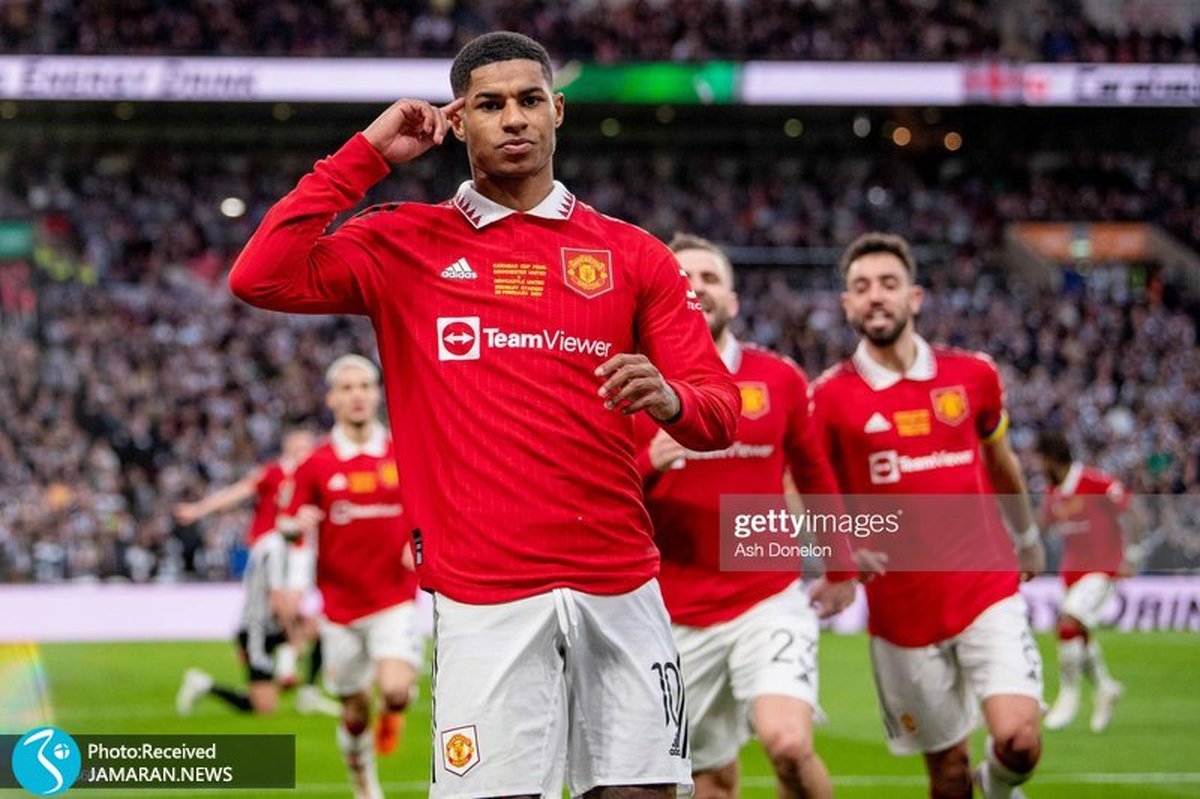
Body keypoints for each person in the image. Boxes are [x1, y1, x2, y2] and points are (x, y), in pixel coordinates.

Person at [228, 31, 739, 798]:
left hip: (620, 582)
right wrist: (365, 155)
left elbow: (720, 413)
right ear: (458, 120)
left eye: (530, 100)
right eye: (490, 104)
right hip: (483, 592)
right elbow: (260, 276)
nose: (514, 118)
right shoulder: (402, 242)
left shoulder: (635, 255)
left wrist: (672, 399)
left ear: (558, 111)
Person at [809, 232, 1045, 799]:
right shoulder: (828, 398)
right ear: (847, 305)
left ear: (914, 297)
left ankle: (999, 784)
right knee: (948, 776)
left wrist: (1027, 535)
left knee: (1019, 740)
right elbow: (808, 489)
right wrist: (839, 553)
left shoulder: (973, 375)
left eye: (888, 283)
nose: (876, 296)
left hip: (985, 586)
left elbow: (1001, 462)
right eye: (862, 287)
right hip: (902, 613)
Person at [634, 234, 857, 799]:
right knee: (710, 777)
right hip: (672, 614)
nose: (697, 288)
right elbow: (594, 495)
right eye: (684, 278)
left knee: (788, 743)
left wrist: (841, 567)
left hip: (766, 596)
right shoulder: (632, 381)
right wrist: (648, 463)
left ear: (732, 301)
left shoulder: (779, 378)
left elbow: (814, 476)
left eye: (710, 278)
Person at [279, 354, 422, 799]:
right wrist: (294, 526)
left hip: (394, 598)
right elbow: (286, 521)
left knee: (395, 691)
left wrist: (419, 543)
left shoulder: (406, 451)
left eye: (365, 386)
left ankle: (393, 709)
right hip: (339, 607)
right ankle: (364, 785)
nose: (357, 395)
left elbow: (433, 508)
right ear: (332, 399)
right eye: (347, 388)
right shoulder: (316, 463)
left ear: (377, 394)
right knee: (355, 711)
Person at [174, 428, 333, 716]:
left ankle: (302, 682)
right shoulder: (273, 473)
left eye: (308, 448)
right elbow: (238, 491)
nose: (305, 453)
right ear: (287, 449)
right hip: (273, 547)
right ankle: (287, 663)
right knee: (289, 610)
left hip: (298, 548)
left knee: (316, 625)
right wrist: (199, 510)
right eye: (299, 447)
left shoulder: (316, 477)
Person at [1035, 430, 1140, 733]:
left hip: (1102, 569)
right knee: (1080, 633)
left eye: (1041, 460)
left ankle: (1068, 697)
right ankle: (1105, 687)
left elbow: (1135, 512)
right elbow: (1041, 526)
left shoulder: (1095, 482)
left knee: (1067, 624)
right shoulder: (1053, 492)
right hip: (1072, 573)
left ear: (1052, 459)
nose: (1039, 467)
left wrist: (1132, 555)